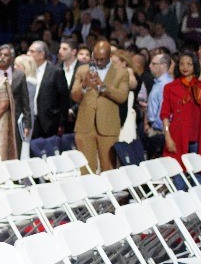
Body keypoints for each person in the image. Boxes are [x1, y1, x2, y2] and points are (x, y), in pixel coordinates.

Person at [71, 40, 129, 173]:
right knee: (85, 169)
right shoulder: (82, 70)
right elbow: (74, 96)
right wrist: (84, 85)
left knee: (109, 169)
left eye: (101, 59)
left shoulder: (121, 73)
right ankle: (89, 193)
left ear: (109, 57)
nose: (97, 62)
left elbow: (122, 97)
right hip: (85, 125)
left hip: (108, 126)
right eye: (95, 59)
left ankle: (110, 193)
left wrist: (102, 86)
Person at [161, 52, 201, 171]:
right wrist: (167, 136)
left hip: (199, 136)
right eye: (181, 64)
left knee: (199, 174)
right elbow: (165, 115)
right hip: (177, 135)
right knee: (178, 173)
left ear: (195, 66)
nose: (185, 67)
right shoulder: (170, 87)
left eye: (189, 64)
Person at [28, 40, 70, 139]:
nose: (28, 54)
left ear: (41, 54)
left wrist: (62, 124)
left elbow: (64, 99)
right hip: (31, 121)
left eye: (32, 51)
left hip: (50, 123)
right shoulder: (27, 70)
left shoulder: (56, 72)